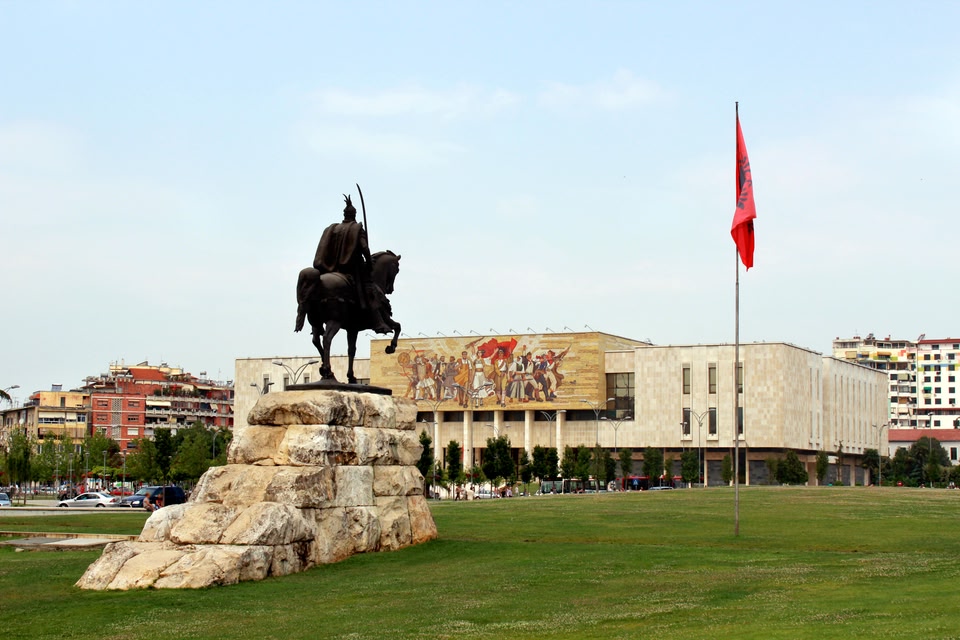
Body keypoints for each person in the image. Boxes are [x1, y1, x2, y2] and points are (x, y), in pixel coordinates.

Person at [312, 194, 393, 334]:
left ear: (344, 214)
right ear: (354, 215)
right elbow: (364, 248)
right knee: (371, 290)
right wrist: (369, 262)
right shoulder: (357, 229)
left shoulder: (334, 228)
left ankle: (316, 324)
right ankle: (378, 322)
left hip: (332, 267)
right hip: (352, 269)